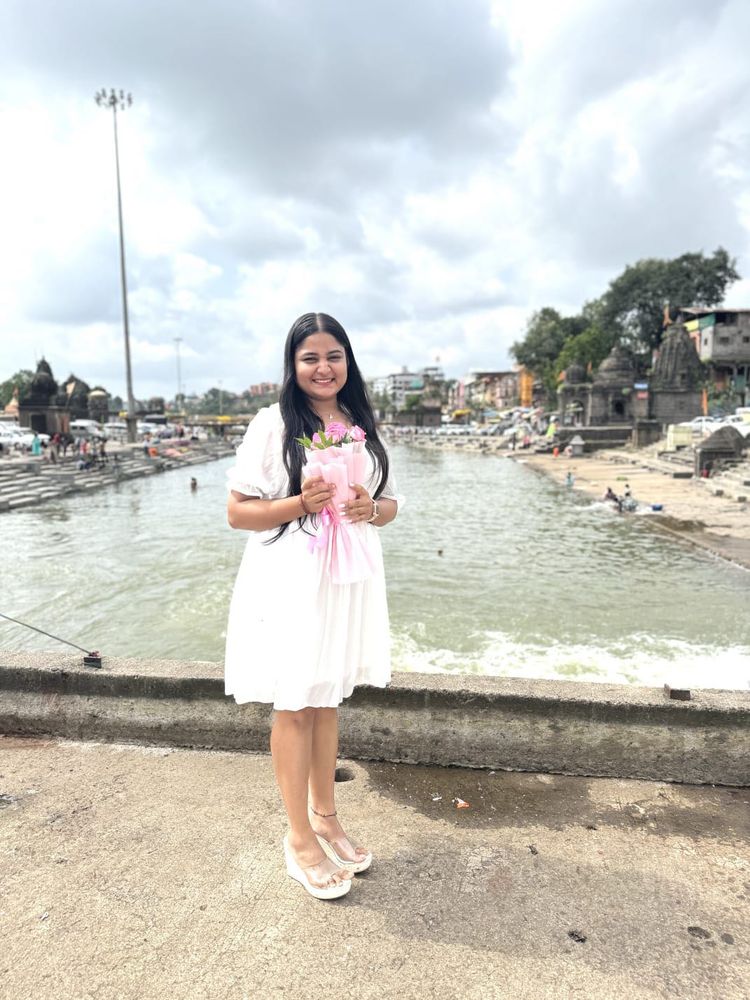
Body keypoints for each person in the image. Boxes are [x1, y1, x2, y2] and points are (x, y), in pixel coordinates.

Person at [224, 312, 400, 901]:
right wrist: (301, 502)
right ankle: (298, 837)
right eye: (310, 358)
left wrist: (369, 510)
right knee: (295, 704)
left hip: (347, 576)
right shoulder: (272, 424)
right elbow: (238, 511)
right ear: (293, 366)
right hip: (291, 577)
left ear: (347, 362)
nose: (324, 368)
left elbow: (390, 501)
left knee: (327, 702)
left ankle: (326, 816)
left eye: (334, 356)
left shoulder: (360, 422)